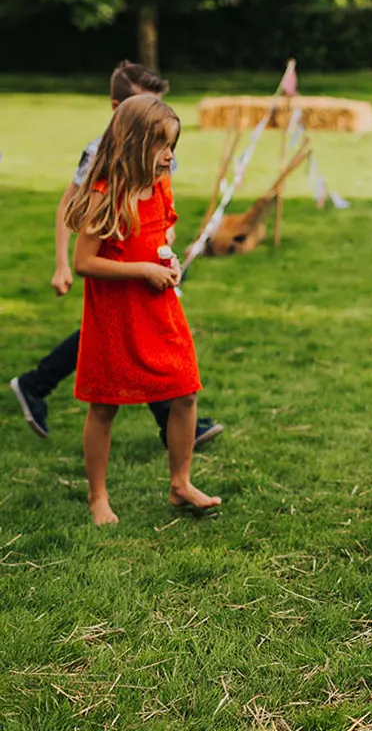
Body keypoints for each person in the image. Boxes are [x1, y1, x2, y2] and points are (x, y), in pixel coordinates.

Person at [9, 60, 224, 449]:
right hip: (120, 270)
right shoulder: (101, 157)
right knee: (109, 341)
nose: (167, 150)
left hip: (147, 261)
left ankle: (35, 383)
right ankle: (35, 383)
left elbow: (158, 205)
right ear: (120, 110)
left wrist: (163, 241)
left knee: (135, 343)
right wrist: (62, 264)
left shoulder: (158, 152)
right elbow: (71, 210)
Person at [64, 94, 222, 525]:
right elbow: (84, 263)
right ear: (132, 144)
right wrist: (141, 270)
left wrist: (165, 254)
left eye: (173, 145)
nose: (170, 155)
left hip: (158, 306)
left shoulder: (161, 184)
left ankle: (180, 483)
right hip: (115, 315)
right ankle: (98, 497)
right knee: (103, 405)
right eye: (161, 145)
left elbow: (163, 227)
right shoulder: (104, 195)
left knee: (185, 392)